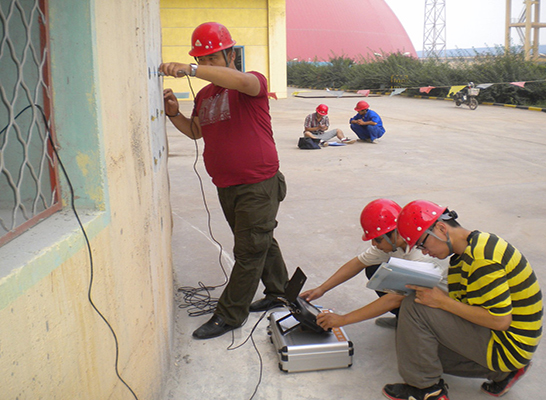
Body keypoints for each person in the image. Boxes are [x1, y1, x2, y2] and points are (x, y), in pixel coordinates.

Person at [160, 22, 289, 340]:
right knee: (260, 242)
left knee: (248, 251)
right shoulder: (204, 94)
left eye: (212, 59)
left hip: (257, 182)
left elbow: (238, 79)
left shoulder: (250, 83)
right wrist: (175, 114)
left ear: (231, 55)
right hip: (226, 184)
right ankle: (280, 292)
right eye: (201, 60)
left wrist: (191, 69)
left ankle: (231, 314)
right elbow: (195, 131)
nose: (206, 66)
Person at [382, 200, 543, 400]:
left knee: (414, 306)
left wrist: (442, 302)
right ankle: (503, 373)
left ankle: (426, 390)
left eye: (422, 243)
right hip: (514, 344)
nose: (423, 251)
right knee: (415, 348)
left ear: (441, 228)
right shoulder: (473, 248)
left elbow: (500, 321)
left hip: (507, 344)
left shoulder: (482, 258)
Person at [300, 199, 447, 330]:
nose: (374, 244)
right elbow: (358, 263)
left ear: (395, 233)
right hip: (418, 292)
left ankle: (416, 325)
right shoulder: (393, 243)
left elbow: (394, 298)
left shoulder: (423, 255)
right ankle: (403, 319)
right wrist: (321, 289)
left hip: (441, 309)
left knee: (406, 294)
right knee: (373, 269)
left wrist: (343, 319)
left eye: (377, 240)